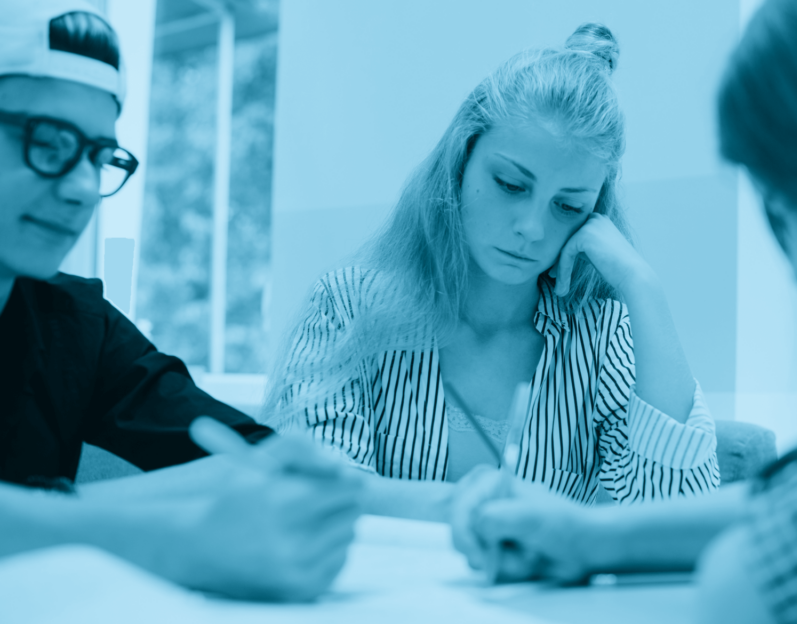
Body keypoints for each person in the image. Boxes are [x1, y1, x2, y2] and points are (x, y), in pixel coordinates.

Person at [453, 0, 797, 622]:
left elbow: (744, 584)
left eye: (787, 202)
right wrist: (591, 537)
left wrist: (642, 285)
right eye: (512, 183)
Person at [265, 24, 719, 519]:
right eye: (510, 184)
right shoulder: (348, 305)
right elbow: (311, 491)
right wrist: (467, 508)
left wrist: (643, 287)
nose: (531, 228)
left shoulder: (601, 336)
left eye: (568, 207)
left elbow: (674, 516)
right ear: (460, 163)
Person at [0, 0, 361, 602]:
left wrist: (466, 507)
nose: (84, 189)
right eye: (50, 141)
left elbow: (238, 452)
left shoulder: (74, 325)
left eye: (98, 156)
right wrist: (158, 535)